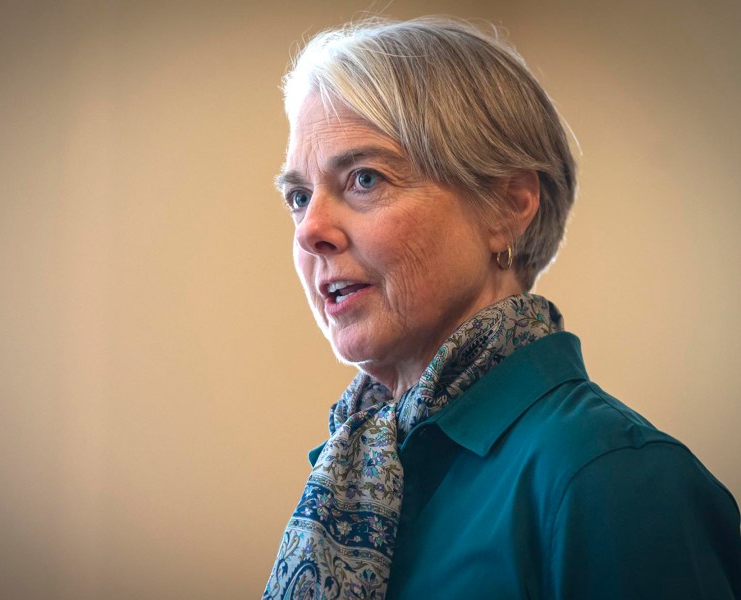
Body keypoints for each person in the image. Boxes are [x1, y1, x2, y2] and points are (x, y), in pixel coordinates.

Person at [263, 16, 741, 600]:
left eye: (364, 178)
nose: (311, 229)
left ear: (508, 206)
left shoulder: (612, 476)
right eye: (298, 196)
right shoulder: (352, 475)